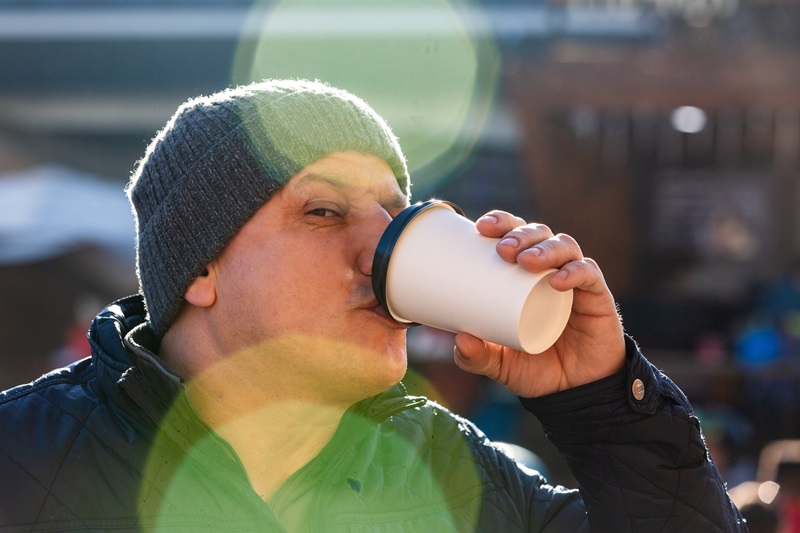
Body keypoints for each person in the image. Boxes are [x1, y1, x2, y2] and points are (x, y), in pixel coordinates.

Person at [0, 79, 744, 531]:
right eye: (322, 212)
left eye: (393, 215)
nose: (378, 251)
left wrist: (607, 404)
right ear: (201, 265)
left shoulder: (452, 471)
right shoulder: (21, 461)